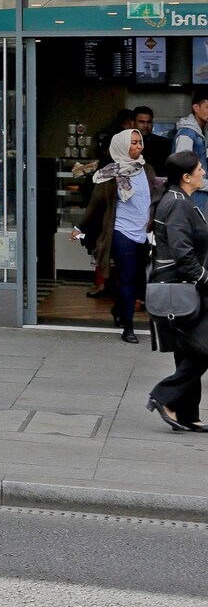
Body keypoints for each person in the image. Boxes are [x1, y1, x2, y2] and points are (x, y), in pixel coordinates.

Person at [146, 147, 208, 433]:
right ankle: (163, 395)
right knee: (201, 349)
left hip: (179, 286)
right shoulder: (178, 204)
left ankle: (186, 414)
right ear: (186, 176)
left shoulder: (177, 199)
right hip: (182, 286)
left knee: (189, 351)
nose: (203, 173)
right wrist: (204, 277)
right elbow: (182, 253)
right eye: (199, 170)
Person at [108, 127, 161, 345]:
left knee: (139, 279)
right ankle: (128, 328)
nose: (138, 146)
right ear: (122, 145)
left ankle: (118, 309)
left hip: (144, 233)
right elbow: (97, 204)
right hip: (122, 232)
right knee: (128, 279)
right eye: (133, 142)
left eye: (140, 142)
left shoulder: (146, 169)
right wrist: (80, 228)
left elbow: (155, 195)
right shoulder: (112, 172)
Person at [172, 92, 208, 214]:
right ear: (196, 108)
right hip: (190, 200)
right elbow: (182, 171)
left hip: (200, 198)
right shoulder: (186, 134)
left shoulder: (201, 133)